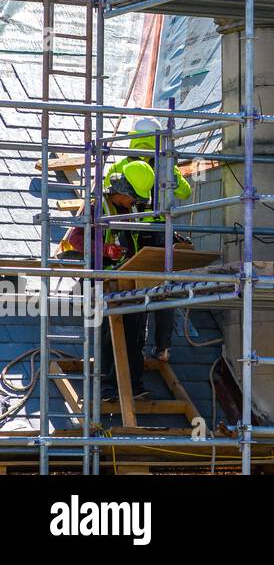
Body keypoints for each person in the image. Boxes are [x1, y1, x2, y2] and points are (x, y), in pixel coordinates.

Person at [111, 119, 191, 362]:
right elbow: (185, 192)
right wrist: (171, 177)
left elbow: (107, 193)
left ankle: (137, 346)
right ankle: (163, 347)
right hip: (159, 234)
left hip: (132, 232)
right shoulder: (165, 166)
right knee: (163, 290)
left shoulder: (123, 164)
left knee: (137, 286)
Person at [98, 162, 156, 403]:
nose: (134, 202)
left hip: (127, 281)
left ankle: (133, 384)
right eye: (131, 197)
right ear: (120, 190)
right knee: (112, 331)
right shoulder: (97, 206)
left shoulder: (126, 211)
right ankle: (108, 387)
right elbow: (76, 241)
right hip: (102, 282)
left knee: (136, 329)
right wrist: (105, 249)